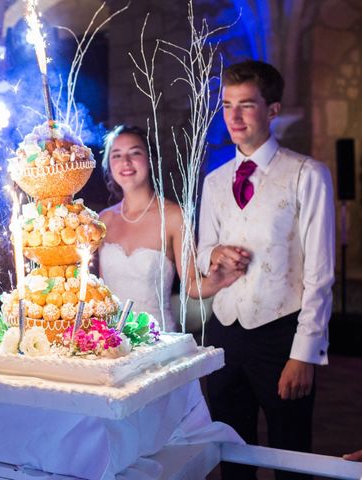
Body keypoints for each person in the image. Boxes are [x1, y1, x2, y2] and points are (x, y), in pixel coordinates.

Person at [197, 60, 335, 479]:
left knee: (291, 454)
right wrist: (215, 254)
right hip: (224, 332)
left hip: (281, 334)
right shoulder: (215, 181)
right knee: (231, 453)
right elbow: (202, 249)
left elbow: (321, 273)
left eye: (246, 105)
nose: (233, 117)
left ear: (272, 110)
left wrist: (304, 354)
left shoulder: (307, 175)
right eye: (226, 106)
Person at [99, 125, 246, 331]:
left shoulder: (174, 217)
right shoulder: (102, 221)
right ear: (108, 165)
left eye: (135, 153)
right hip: (111, 339)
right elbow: (92, 291)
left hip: (159, 338)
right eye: (117, 155)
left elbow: (192, 286)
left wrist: (216, 280)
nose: (125, 162)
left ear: (150, 160)